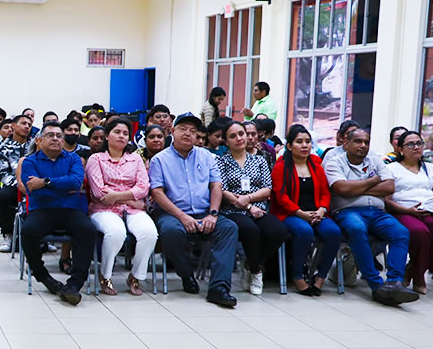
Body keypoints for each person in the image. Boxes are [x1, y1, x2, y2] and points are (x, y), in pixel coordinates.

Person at [149, 113, 239, 308]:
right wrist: (182, 216)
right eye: (183, 129)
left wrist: (213, 214)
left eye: (193, 131)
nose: (188, 134)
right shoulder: (160, 160)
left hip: (204, 212)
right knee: (171, 232)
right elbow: (157, 193)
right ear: (172, 131)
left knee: (229, 228)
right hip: (173, 213)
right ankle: (186, 274)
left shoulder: (207, 156)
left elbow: (216, 186)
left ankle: (219, 288)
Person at [324, 128, 418, 306]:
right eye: (358, 141)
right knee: (357, 229)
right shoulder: (335, 163)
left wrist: (355, 187)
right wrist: (373, 181)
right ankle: (377, 286)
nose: (363, 145)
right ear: (346, 143)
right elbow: (341, 189)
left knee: (401, 232)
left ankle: (394, 282)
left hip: (377, 213)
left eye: (366, 142)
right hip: (348, 212)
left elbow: (389, 187)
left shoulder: (376, 161)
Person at [17, 121, 94, 305]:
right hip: (42, 209)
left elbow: (76, 183)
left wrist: (45, 182)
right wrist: (61, 185)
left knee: (88, 230)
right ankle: (45, 278)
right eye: (50, 135)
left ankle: (74, 284)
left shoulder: (73, 159)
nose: (56, 139)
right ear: (39, 140)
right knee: (28, 232)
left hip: (69, 210)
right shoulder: (30, 161)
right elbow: (34, 190)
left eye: (59, 136)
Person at [86, 118, 157, 296]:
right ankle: (105, 275)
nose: (122, 136)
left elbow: (143, 187)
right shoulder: (96, 159)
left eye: (125, 133)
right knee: (116, 232)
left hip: (132, 209)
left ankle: (135, 276)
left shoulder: (135, 159)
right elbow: (99, 193)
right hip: (103, 210)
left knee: (149, 233)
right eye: (117, 132)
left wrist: (117, 196)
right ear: (107, 135)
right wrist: (130, 197)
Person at [217, 121, 288, 296]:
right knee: (250, 230)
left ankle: (251, 264)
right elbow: (222, 189)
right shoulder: (221, 161)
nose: (240, 138)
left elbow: (267, 188)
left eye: (241, 134)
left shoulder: (259, 160)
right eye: (233, 136)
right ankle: (257, 272)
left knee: (279, 232)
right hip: (232, 210)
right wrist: (248, 206)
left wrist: (250, 200)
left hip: (259, 207)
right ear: (226, 141)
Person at [271, 125, 341, 296]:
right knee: (304, 231)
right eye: (299, 142)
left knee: (334, 232)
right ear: (289, 146)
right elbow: (281, 197)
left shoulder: (317, 167)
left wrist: (322, 210)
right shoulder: (281, 167)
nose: (304, 146)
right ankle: (297, 276)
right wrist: (300, 213)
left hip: (316, 213)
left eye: (308, 142)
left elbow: (325, 192)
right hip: (289, 214)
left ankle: (320, 277)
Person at [381, 130, 433, 295]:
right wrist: (408, 210)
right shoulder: (391, 169)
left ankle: (413, 269)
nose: (416, 147)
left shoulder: (432, 168)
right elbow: (386, 199)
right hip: (403, 211)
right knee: (420, 233)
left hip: (430, 212)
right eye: (410, 144)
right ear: (400, 149)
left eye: (419, 143)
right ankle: (419, 277)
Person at [0, 113, 33, 253]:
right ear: (14, 126)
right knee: (2, 198)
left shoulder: (35, 145)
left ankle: (43, 239)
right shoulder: (3, 148)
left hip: (34, 184)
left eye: (29, 124)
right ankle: (8, 235)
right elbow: (2, 173)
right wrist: (20, 185)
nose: (27, 127)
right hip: (13, 185)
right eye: (23, 123)